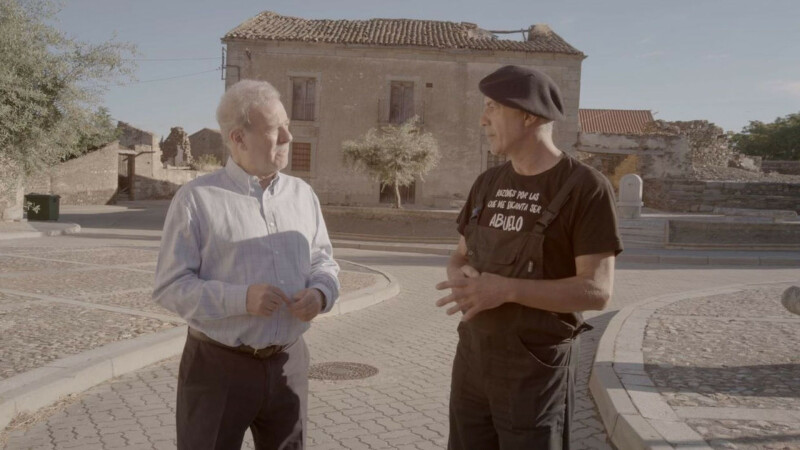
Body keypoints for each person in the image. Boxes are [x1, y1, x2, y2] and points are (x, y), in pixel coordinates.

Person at [435, 65, 623, 450]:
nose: (482, 119)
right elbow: (458, 256)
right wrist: (459, 275)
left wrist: (505, 290)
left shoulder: (586, 189)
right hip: (472, 360)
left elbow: (597, 291)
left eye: (492, 107)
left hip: (536, 373)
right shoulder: (487, 183)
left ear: (528, 115)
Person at [153, 79, 340, 450]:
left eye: (287, 125)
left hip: (289, 364)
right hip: (217, 368)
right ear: (238, 138)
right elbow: (170, 287)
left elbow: (323, 260)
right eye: (275, 129)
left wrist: (321, 293)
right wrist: (241, 299)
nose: (288, 136)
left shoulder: (303, 195)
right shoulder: (196, 199)